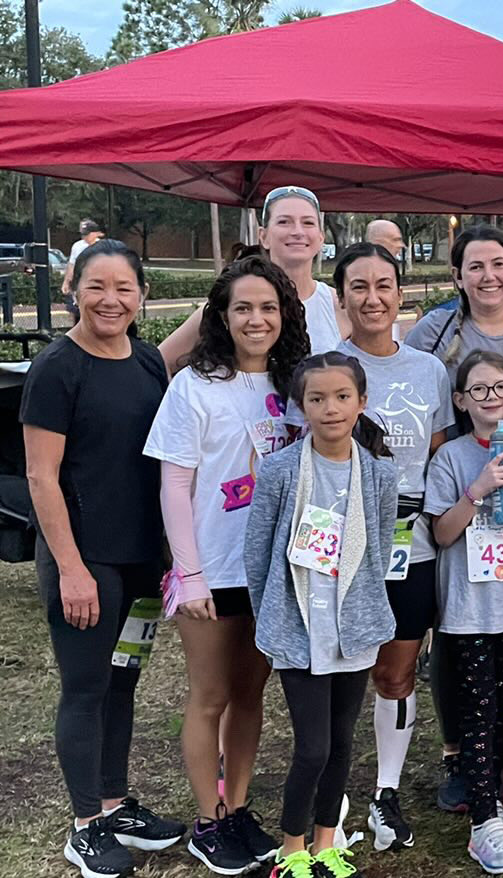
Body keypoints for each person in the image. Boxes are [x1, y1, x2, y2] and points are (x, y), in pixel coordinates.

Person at [22, 239, 185, 878]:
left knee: (124, 683)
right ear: (73, 290)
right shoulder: (57, 368)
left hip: (141, 559)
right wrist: (71, 568)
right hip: (86, 563)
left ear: (141, 295)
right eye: (97, 287)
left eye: (124, 288)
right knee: (86, 689)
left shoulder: (147, 361)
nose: (110, 300)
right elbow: (41, 478)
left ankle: (115, 806)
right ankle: (85, 826)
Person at [144, 256, 310, 874]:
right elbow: (174, 488)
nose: (256, 319)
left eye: (268, 307)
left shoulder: (295, 385)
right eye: (243, 307)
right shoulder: (194, 385)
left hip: (272, 573)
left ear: (284, 315)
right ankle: (208, 822)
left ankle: (236, 808)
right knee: (209, 697)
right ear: (221, 315)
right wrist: (188, 575)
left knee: (249, 696)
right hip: (211, 570)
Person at [245, 353, 399, 878]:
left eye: (341, 397)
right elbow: (257, 551)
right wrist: (268, 617)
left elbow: (377, 550)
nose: (330, 409)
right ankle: (292, 849)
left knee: (341, 743)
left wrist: (369, 610)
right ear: (301, 405)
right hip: (298, 629)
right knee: (311, 748)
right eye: (317, 399)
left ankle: (326, 840)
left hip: (354, 630)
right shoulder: (282, 470)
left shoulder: (379, 474)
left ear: (361, 402)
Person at [323, 243, 454, 852]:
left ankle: (386, 792)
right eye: (358, 287)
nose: (372, 298)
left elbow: (437, 455)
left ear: (401, 293)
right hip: (344, 539)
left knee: (397, 671)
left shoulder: (429, 369)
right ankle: (330, 792)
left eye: (384, 285)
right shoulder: (324, 365)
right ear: (341, 295)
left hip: (413, 541)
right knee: (341, 669)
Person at [425, 350, 503, 875]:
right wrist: (477, 491)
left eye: (500, 387)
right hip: (470, 607)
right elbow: (441, 533)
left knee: (500, 707)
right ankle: (483, 824)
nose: (491, 398)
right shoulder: (450, 458)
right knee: (477, 711)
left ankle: (493, 801)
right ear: (461, 400)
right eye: (478, 390)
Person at [159, 185, 348, 373]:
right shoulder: (228, 304)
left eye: (308, 223)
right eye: (284, 222)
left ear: (321, 237)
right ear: (263, 236)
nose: (298, 231)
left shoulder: (341, 306)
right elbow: (160, 361)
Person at [405, 226, 503, 438]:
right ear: (458, 276)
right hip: (454, 468)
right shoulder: (432, 333)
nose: (489, 276)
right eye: (476, 267)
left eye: (498, 264)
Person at [61, 219, 105, 320]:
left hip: (96, 284)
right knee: (76, 312)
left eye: (87, 234)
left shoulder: (103, 247)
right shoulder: (77, 246)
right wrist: (66, 282)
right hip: (80, 283)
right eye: (83, 234)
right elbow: (71, 265)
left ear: (95, 234)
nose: (84, 237)